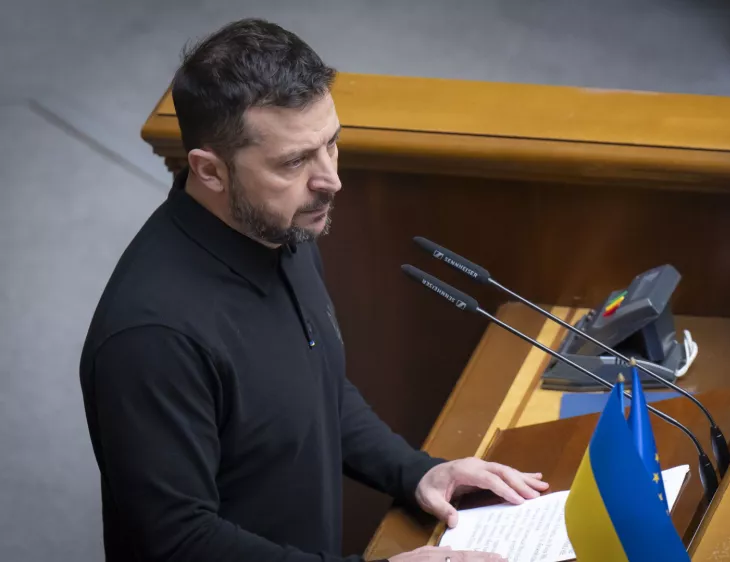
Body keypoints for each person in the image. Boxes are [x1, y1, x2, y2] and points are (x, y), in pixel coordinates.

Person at [78, 18, 547, 562]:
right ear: (210, 172)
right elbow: (178, 542)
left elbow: (314, 387)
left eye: (332, 144)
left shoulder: (279, 225)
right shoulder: (152, 337)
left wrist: (418, 472)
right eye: (295, 161)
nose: (331, 180)